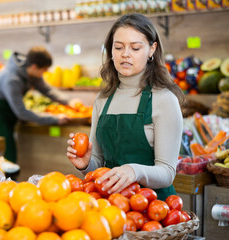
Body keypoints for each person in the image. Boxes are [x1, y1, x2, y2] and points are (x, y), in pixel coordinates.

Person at [66, 13, 185, 201]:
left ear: (151, 49)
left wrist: (134, 171)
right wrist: (85, 164)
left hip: (153, 210)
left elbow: (167, 172)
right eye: (118, 47)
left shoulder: (164, 99)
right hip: (113, 207)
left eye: (135, 48)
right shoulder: (103, 99)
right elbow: (99, 167)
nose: (125, 54)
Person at [0, 46, 77, 163]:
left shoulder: (30, 72)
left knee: (7, 150)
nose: (44, 73)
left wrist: (68, 101)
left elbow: (47, 89)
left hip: (8, 111)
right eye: (44, 70)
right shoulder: (12, 79)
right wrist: (54, 119)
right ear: (35, 66)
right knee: (6, 151)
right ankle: (4, 179)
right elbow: (22, 113)